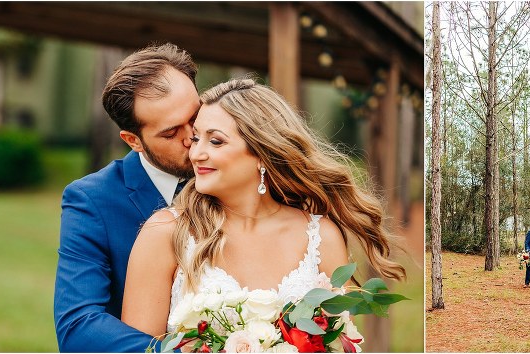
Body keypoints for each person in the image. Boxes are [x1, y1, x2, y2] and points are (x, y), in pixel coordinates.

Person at [121, 78, 407, 338]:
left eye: (215, 141)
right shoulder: (166, 233)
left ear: (261, 153)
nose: (196, 153)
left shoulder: (321, 237)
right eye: (197, 138)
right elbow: (136, 348)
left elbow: (339, 341)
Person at [54, 43, 200, 352]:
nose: (192, 137)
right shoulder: (92, 201)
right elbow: (78, 326)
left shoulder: (240, 178)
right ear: (134, 141)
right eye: (171, 133)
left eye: (196, 116)